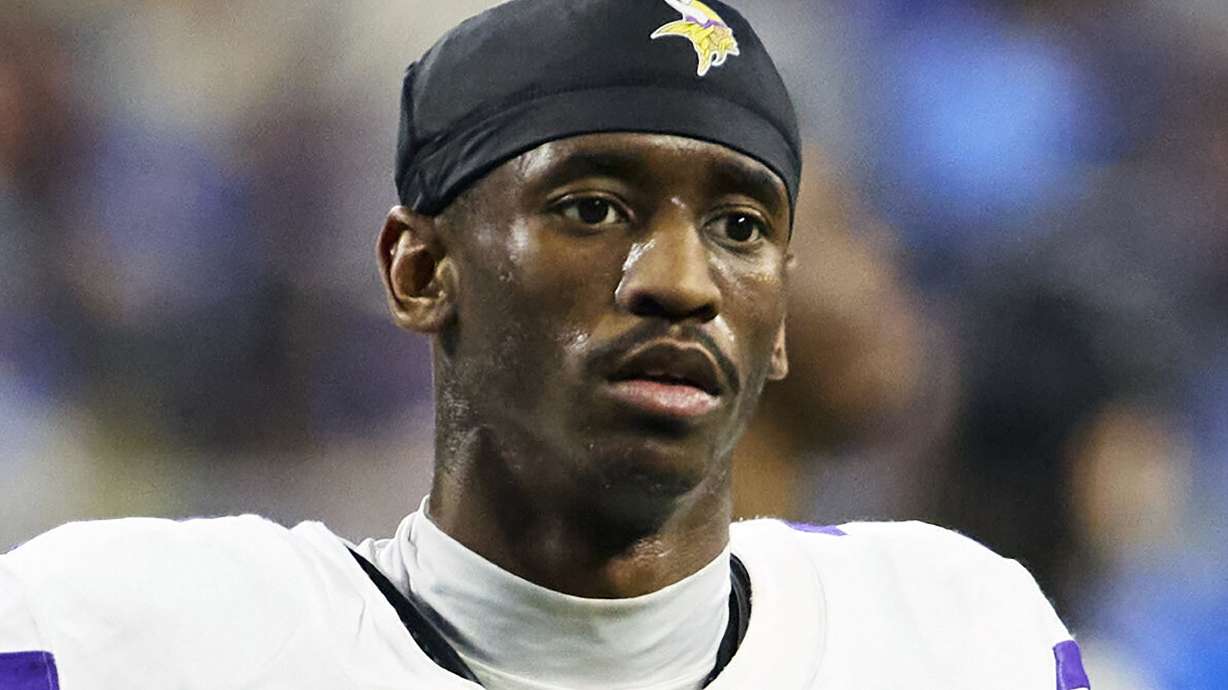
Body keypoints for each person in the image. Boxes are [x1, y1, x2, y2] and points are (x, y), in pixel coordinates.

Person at [0, 1, 1090, 688]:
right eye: (591, 207)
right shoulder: (141, 637)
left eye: (741, 226)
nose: (680, 281)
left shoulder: (954, 635)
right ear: (420, 271)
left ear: (783, 319)